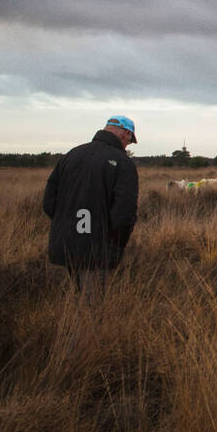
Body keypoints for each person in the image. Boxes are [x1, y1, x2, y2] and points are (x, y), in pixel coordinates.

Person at [43, 115, 140, 301]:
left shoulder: (71, 155)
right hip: (97, 251)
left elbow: (49, 203)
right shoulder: (123, 163)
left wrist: (66, 225)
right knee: (92, 309)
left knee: (70, 303)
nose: (128, 145)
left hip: (63, 245)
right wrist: (115, 245)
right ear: (125, 134)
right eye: (130, 140)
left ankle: (66, 330)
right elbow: (124, 214)